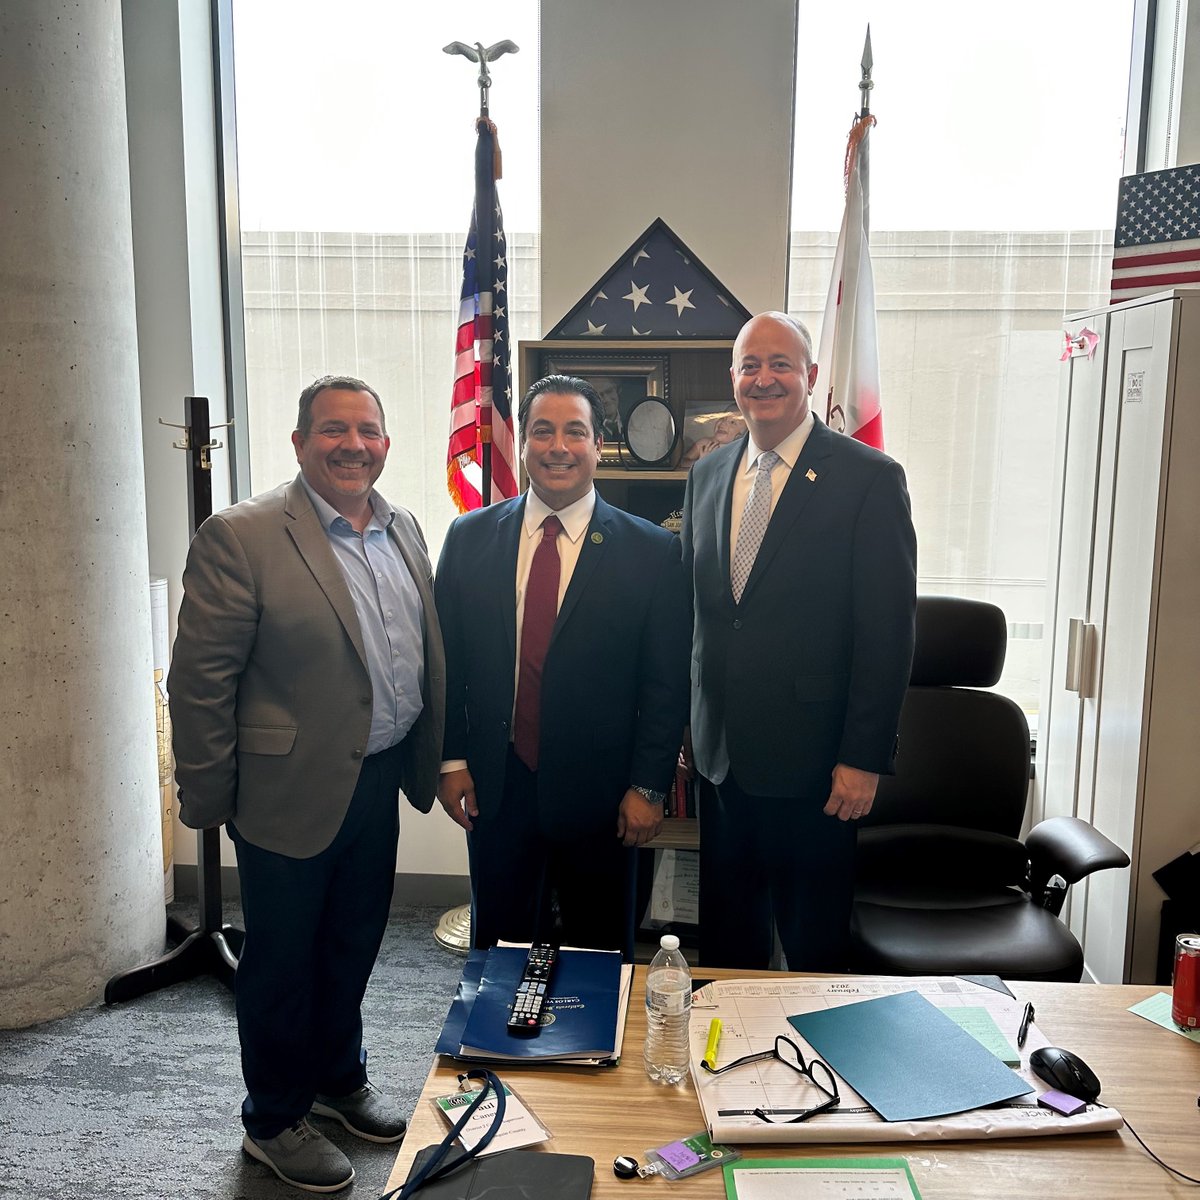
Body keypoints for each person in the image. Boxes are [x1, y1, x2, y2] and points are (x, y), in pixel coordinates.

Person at [168, 375, 445, 1194]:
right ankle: (274, 1117)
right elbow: (199, 683)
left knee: (353, 943)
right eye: (332, 429)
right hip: (283, 792)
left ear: (387, 444)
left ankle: (335, 1077)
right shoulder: (242, 535)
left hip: (380, 777)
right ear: (299, 443)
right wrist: (209, 798)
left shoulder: (405, 529)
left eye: (368, 429)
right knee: (283, 961)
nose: (352, 444)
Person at [681, 312, 917, 972]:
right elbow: (701, 616)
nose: (764, 378)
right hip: (722, 761)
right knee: (728, 949)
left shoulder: (867, 478)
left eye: (780, 364)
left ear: (810, 377)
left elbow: (888, 630)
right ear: (733, 380)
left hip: (820, 768)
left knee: (814, 955)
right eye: (749, 365)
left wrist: (864, 756)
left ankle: (814, 1075)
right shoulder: (707, 476)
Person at [435, 374, 690, 958]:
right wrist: (451, 760)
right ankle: (499, 1051)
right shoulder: (469, 538)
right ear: (521, 443)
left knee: (601, 962)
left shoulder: (651, 552)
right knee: (497, 955)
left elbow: (665, 682)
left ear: (598, 447)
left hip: (605, 799)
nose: (558, 447)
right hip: (498, 789)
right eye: (542, 431)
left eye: (575, 432)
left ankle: (595, 1055)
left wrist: (649, 785)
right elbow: (448, 662)